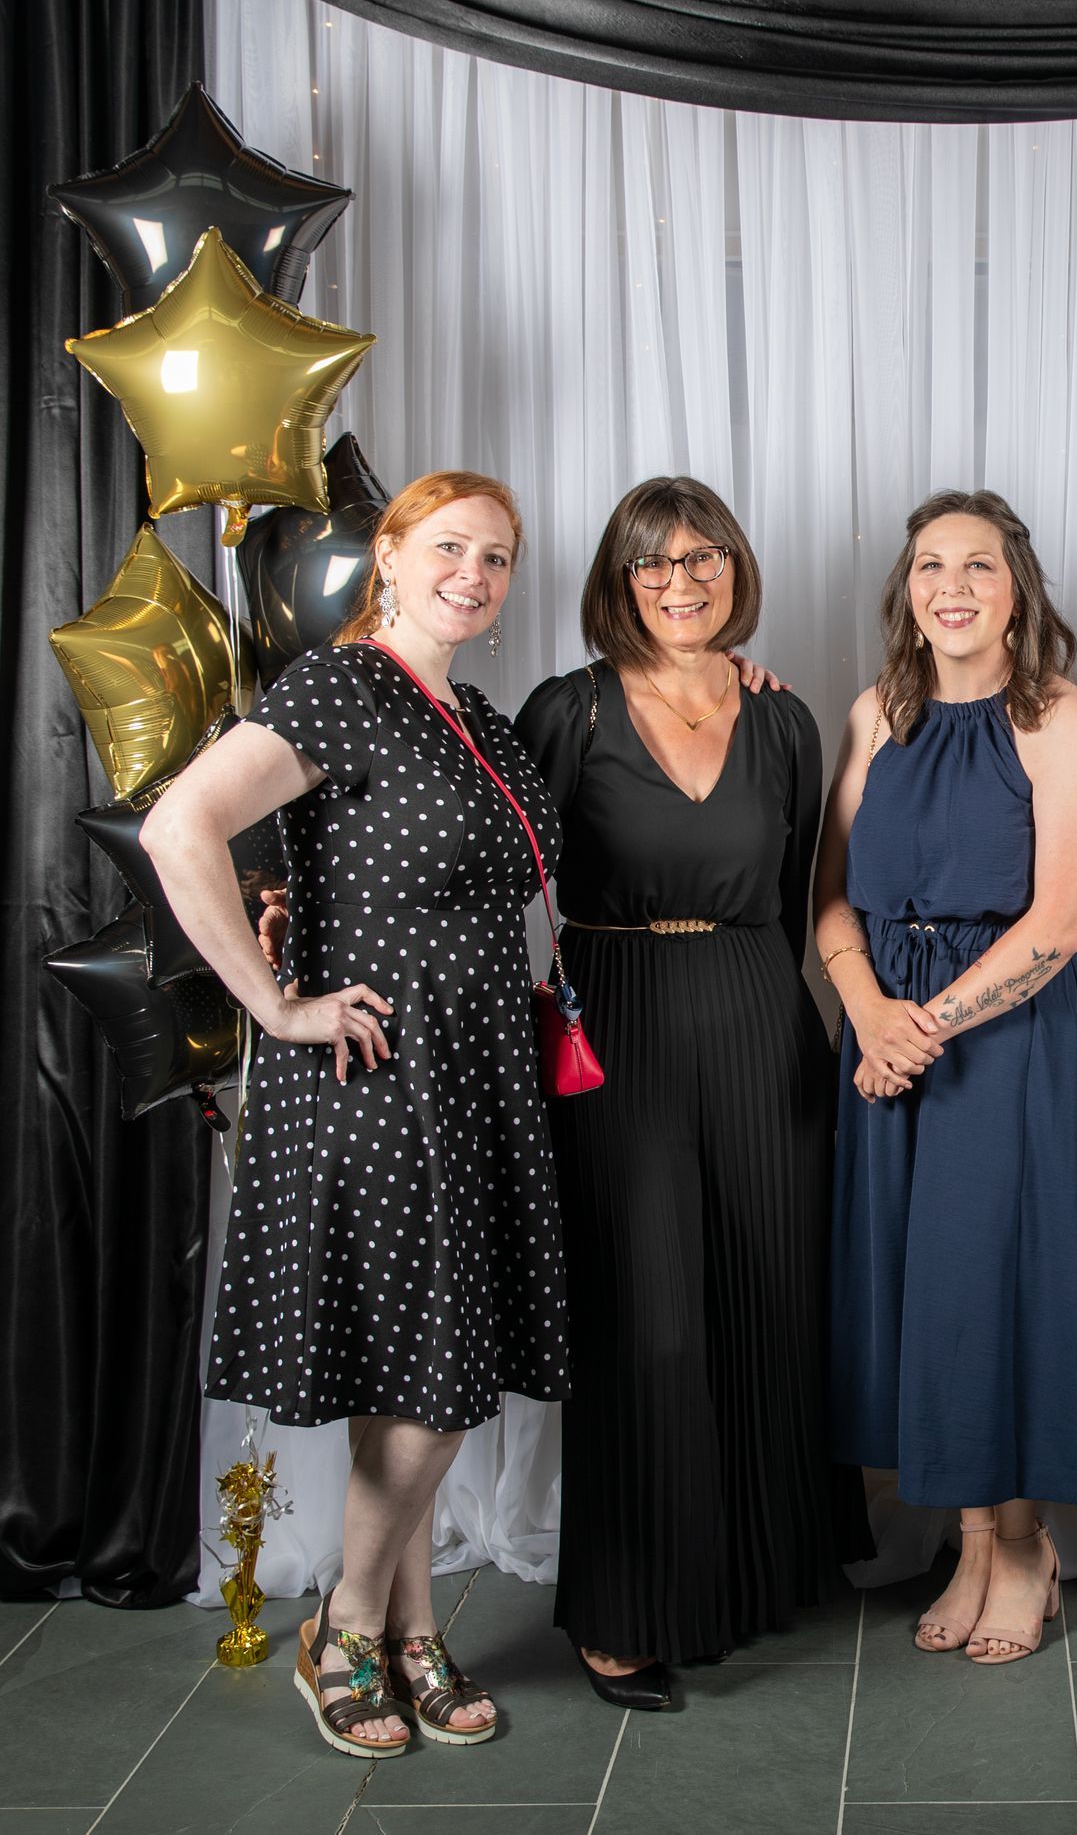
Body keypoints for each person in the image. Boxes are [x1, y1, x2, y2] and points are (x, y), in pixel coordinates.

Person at [143, 472, 567, 1756]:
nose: (473, 573)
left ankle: (408, 1631)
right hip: (378, 1075)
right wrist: (276, 1007)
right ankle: (348, 1625)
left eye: (495, 556)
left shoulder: (479, 716)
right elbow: (182, 827)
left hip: (480, 1068)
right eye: (447, 547)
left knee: (431, 1367)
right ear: (388, 556)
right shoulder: (343, 685)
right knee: (431, 1377)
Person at [514, 477, 864, 1711]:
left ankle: (759, 1577)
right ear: (619, 581)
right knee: (648, 1320)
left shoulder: (785, 720)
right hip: (621, 1027)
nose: (680, 583)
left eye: (703, 559)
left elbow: (810, 885)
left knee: (767, 1301)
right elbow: (487, 859)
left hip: (765, 1024)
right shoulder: (569, 710)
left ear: (734, 569)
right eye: (653, 564)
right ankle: (625, 1609)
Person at [816, 488, 1077, 1666]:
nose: (951, 587)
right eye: (929, 568)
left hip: (1008, 1042)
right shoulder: (875, 714)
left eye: (977, 566)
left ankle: (1026, 1549)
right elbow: (828, 898)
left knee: (1002, 1291)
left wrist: (927, 1030)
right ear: (906, 593)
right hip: (891, 1036)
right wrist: (870, 1015)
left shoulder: (1061, 717)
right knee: (929, 1298)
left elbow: (1064, 919)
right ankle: (969, 1542)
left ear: (1019, 588)